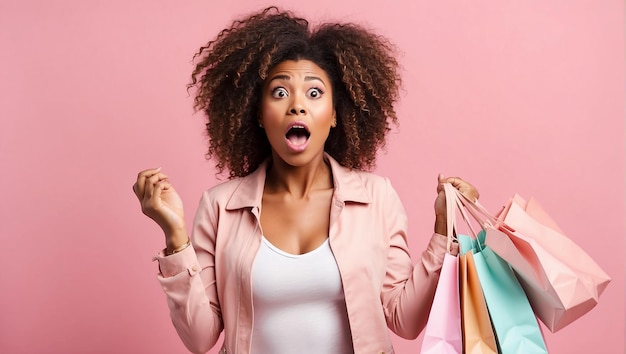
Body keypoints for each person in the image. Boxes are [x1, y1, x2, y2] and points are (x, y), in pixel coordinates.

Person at [133, 6, 479, 354]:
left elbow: (404, 319)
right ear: (257, 113)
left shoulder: (377, 198)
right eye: (280, 93)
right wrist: (175, 237)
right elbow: (199, 337)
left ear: (333, 115)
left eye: (314, 94)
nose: (297, 106)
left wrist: (442, 229)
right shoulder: (220, 206)